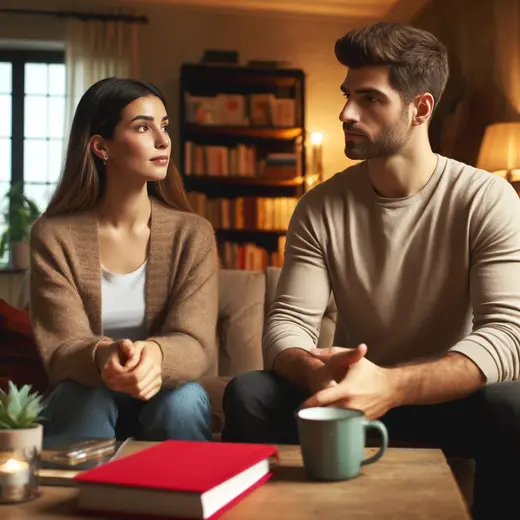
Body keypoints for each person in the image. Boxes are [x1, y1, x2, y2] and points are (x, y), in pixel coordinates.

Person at [222, 22, 520, 519]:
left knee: (515, 406)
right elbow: (286, 325)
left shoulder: (486, 199)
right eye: (346, 95)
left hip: (446, 399)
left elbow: (507, 337)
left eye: (369, 98)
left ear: (420, 108)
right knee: (249, 392)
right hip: (343, 397)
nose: (345, 112)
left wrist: (392, 385)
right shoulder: (319, 206)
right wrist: (316, 370)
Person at [30, 77, 218, 442]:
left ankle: (186, 497)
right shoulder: (52, 236)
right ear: (101, 147)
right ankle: (80, 498)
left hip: (169, 387)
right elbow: (62, 347)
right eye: (143, 127)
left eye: (164, 126)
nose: (163, 141)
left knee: (183, 401)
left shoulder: (193, 234)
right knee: (85, 401)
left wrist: (155, 355)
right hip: (86, 389)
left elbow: (196, 344)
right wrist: (104, 356)